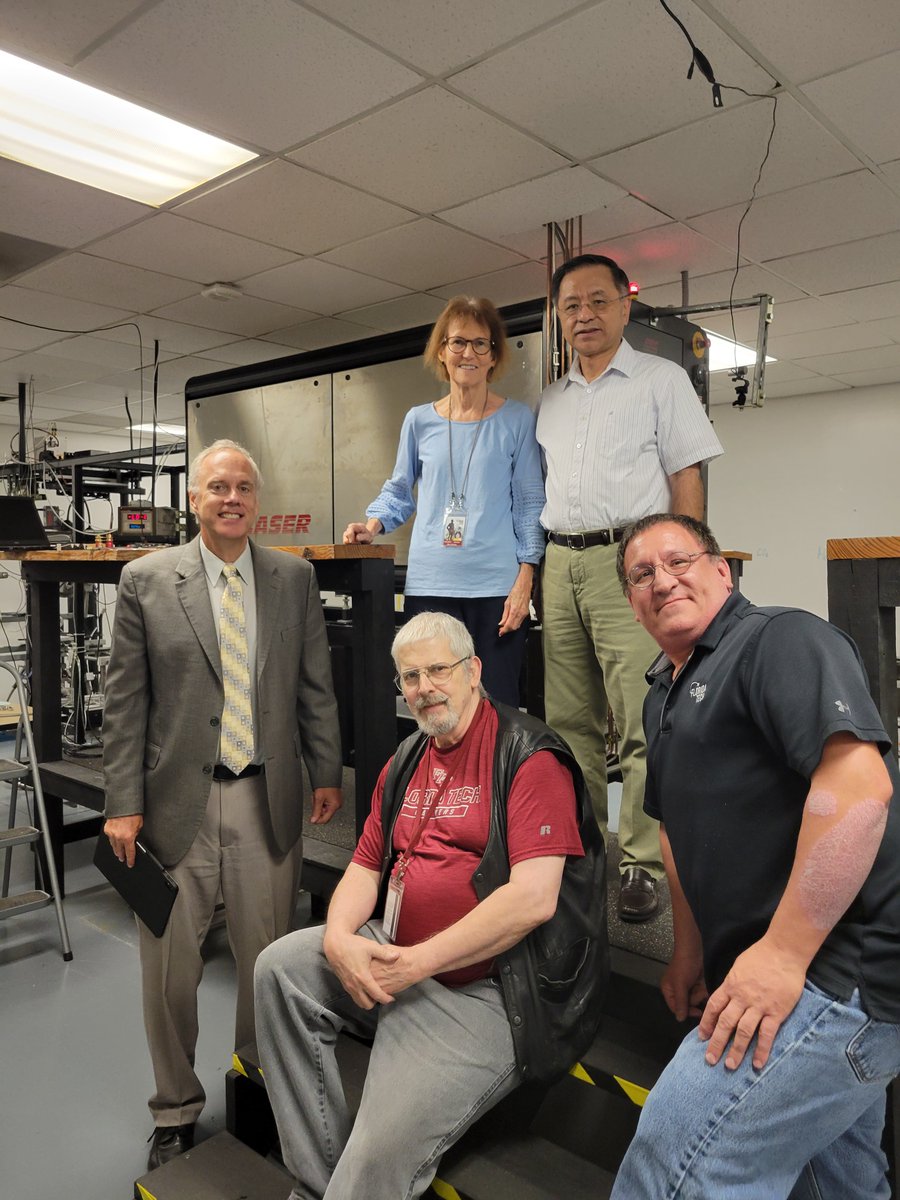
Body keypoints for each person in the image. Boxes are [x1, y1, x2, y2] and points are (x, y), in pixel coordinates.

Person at [254, 611, 608, 1200]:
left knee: (378, 1156)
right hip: (398, 957)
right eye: (410, 677)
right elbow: (366, 865)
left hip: (489, 989)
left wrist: (416, 964)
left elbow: (533, 899)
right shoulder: (409, 757)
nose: (424, 688)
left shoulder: (529, 755)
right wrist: (339, 938)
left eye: (438, 670)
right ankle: (317, 1182)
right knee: (279, 970)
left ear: (473, 671)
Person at [610, 513, 900, 1199]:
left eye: (678, 561)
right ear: (632, 604)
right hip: (778, 966)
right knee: (840, 1183)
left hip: (840, 968)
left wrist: (783, 956)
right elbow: (674, 830)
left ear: (722, 570)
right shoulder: (661, 695)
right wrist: (689, 951)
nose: (661, 580)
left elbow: (858, 790)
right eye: (642, 574)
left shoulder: (778, 639)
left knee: (675, 1167)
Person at [102, 438, 343, 1170]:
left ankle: (253, 1090)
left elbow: (314, 685)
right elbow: (125, 704)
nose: (231, 498)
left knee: (266, 962)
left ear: (256, 500)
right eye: (217, 487)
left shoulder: (293, 578)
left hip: (266, 799)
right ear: (195, 500)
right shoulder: (146, 580)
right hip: (174, 806)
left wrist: (325, 769)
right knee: (169, 970)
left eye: (243, 487)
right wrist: (122, 802)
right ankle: (175, 1109)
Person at [536, 253, 724, 921]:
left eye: (597, 301)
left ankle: (642, 864)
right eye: (571, 306)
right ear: (559, 318)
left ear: (624, 306)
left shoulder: (660, 380)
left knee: (644, 719)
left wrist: (684, 564)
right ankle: (582, 853)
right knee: (568, 725)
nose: (584, 315)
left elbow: (686, 475)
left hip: (630, 560)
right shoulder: (551, 400)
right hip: (559, 562)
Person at [343, 296, 545, 707]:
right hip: (431, 586)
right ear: (442, 351)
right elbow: (399, 490)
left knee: (495, 704)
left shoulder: (517, 419)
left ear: (494, 355)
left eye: (480, 343)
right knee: (435, 701)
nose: (469, 353)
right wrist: (372, 525)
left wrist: (526, 577)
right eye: (458, 342)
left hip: (496, 590)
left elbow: (529, 503)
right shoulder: (419, 420)